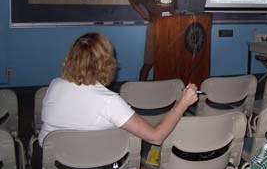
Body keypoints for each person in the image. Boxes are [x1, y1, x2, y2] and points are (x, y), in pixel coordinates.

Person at [38, 32, 197, 148]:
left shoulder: (55, 85)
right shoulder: (109, 102)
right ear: (107, 63)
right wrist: (182, 104)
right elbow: (156, 137)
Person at [129, 0, 178, 81]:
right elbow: (132, 1)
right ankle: (140, 88)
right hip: (154, 28)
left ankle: (165, 89)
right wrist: (144, 16)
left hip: (169, 29)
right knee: (149, 61)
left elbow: (173, 10)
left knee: (167, 61)